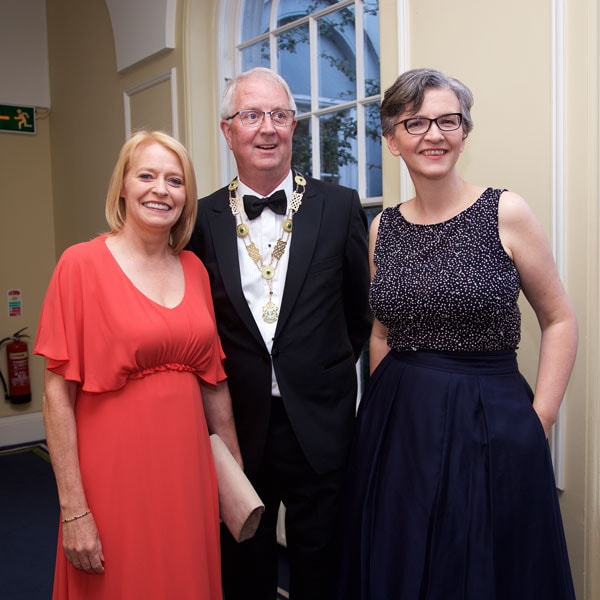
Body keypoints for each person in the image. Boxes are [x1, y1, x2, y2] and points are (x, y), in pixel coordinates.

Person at [336, 68, 578, 599]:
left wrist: (540, 418)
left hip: (489, 420)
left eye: (448, 120)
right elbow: (382, 330)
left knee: (480, 567)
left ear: (464, 132)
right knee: (400, 563)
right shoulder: (384, 228)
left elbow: (559, 319)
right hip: (398, 425)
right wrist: (380, 417)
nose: (434, 134)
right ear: (392, 140)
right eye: (415, 122)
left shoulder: (505, 212)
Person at [188, 67, 371, 600]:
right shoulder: (199, 221)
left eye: (280, 115)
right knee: (244, 564)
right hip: (238, 425)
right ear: (228, 130)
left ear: (294, 125)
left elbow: (358, 314)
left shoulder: (339, 206)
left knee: (323, 564)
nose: (267, 129)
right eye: (251, 115)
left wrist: (320, 372)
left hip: (320, 421)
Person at [34, 130, 241, 600]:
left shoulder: (193, 268)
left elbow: (213, 383)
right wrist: (74, 510)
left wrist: (233, 475)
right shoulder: (80, 265)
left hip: (188, 474)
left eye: (175, 180)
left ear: (186, 195)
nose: (160, 190)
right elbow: (56, 397)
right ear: (122, 186)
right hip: (113, 478)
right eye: (146, 175)